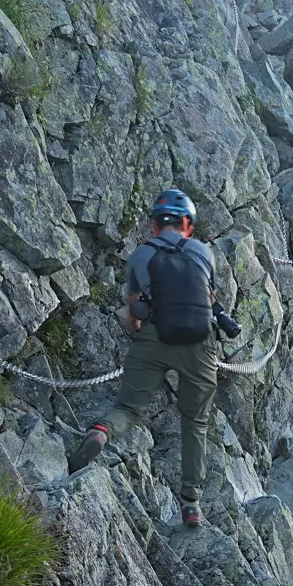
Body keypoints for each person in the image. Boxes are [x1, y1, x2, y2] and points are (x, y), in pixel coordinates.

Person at [79, 189, 237, 528]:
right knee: (195, 422)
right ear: (187, 224)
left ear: (154, 224)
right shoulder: (204, 252)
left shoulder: (140, 255)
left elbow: (132, 311)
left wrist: (142, 335)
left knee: (129, 410)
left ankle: (101, 432)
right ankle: (191, 504)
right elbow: (208, 297)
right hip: (200, 342)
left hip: (154, 335)